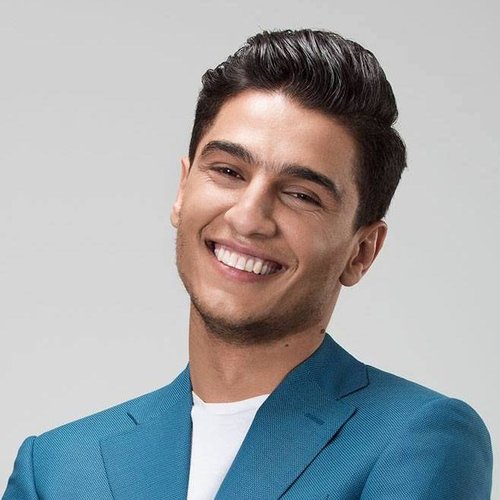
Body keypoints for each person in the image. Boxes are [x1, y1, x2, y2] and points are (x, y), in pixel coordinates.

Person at [3, 29, 492, 500]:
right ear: (182, 191)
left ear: (361, 250)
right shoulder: (58, 466)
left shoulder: (416, 439)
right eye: (228, 171)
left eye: (302, 195)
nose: (248, 217)